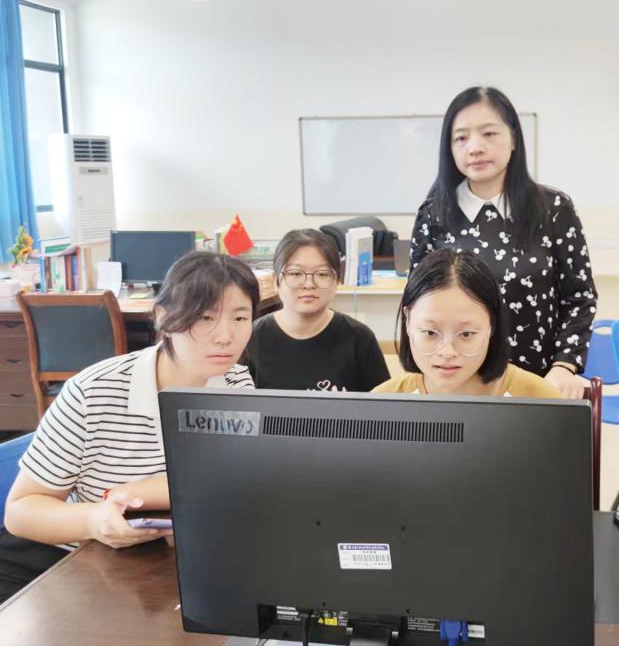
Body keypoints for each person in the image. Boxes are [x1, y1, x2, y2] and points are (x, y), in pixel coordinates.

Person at [0, 252, 258, 602]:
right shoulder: (93, 393)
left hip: (162, 566)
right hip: (73, 562)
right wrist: (95, 520)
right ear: (163, 317)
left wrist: (156, 496)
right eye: (205, 317)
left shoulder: (235, 383)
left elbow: (227, 482)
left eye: (240, 317)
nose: (226, 336)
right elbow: (21, 512)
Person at [411, 86, 596, 399]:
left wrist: (564, 366)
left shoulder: (553, 208)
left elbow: (579, 297)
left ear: (513, 139)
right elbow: (418, 305)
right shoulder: (434, 214)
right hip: (456, 386)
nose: (475, 148)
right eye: (461, 138)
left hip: (538, 383)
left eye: (489, 134)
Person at [374, 249, 561, 399]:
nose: (447, 352)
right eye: (430, 333)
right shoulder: (381, 404)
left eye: (466, 334)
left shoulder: (542, 399)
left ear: (492, 325)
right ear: (407, 321)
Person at [241, 228, 389, 392]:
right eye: (296, 273)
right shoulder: (250, 339)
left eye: (322, 274)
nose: (309, 284)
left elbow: (382, 404)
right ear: (276, 281)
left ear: (336, 281)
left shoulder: (360, 338)